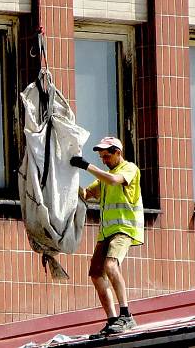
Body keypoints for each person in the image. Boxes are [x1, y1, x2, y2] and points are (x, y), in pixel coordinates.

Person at [70, 136, 144, 335]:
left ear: (118, 152)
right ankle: (112, 319)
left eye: (106, 157)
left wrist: (86, 166)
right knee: (95, 273)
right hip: (106, 232)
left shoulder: (129, 169)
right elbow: (85, 194)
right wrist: (65, 178)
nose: (104, 160)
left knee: (111, 266)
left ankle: (126, 315)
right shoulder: (104, 177)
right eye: (101, 157)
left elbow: (113, 180)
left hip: (124, 229)